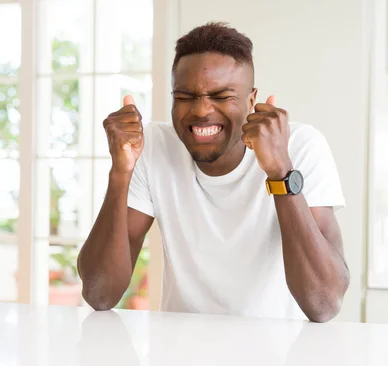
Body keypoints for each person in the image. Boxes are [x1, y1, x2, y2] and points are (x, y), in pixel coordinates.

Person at [77, 22, 349, 322]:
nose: (201, 110)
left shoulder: (300, 147)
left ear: (251, 100)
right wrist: (120, 172)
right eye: (184, 97)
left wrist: (280, 171)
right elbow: (99, 293)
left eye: (221, 96)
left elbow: (324, 303)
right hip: (181, 355)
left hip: (280, 355)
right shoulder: (150, 146)